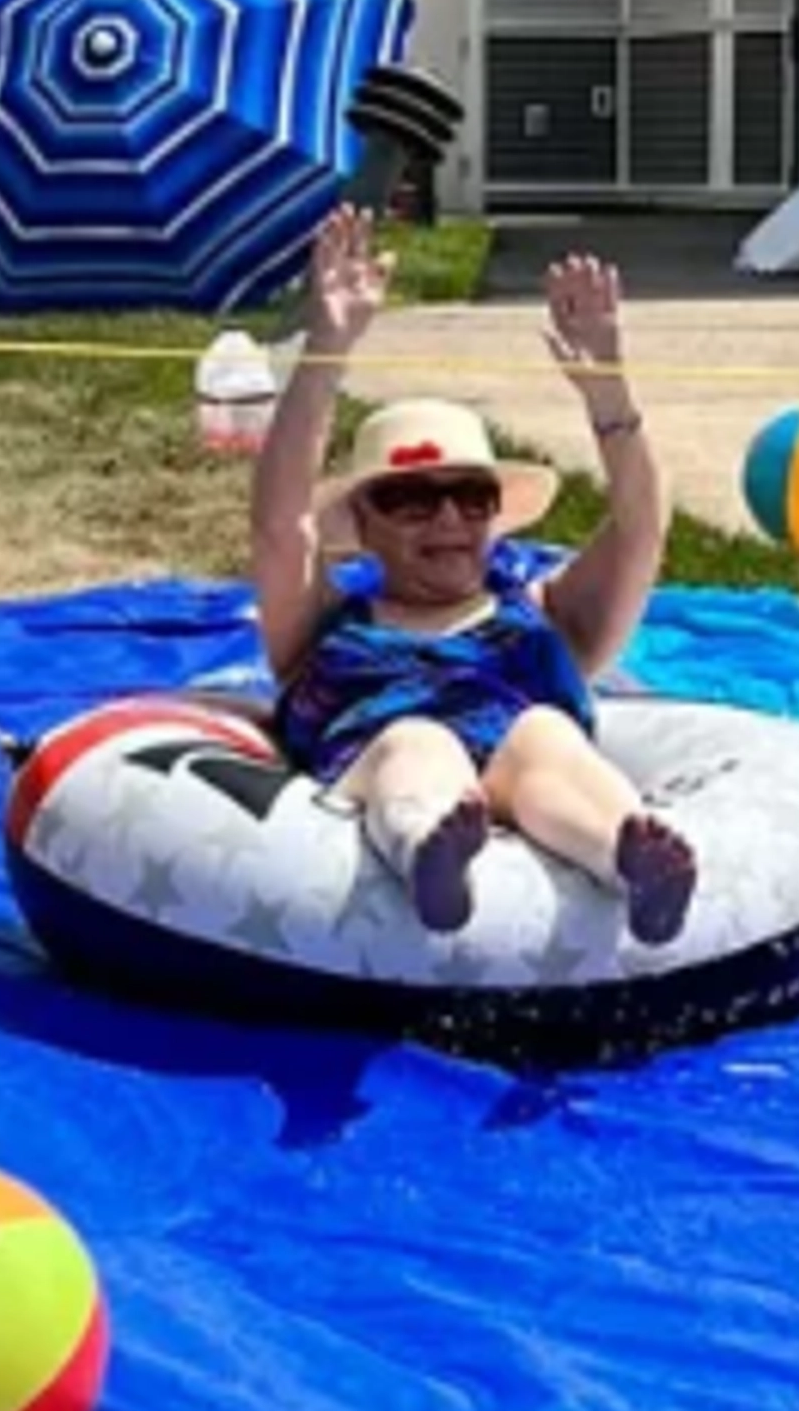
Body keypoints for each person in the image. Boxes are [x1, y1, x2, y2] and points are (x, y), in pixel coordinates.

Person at [250, 207, 697, 945]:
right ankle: (433, 850)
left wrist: (608, 391)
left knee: (546, 734)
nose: (448, 519)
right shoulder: (319, 626)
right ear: (362, 524)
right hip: (391, 760)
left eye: (472, 497)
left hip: (526, 767)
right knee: (416, 745)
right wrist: (327, 349)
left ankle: (630, 857)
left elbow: (642, 528)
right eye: (412, 500)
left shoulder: (549, 616)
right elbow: (277, 528)